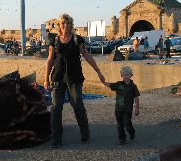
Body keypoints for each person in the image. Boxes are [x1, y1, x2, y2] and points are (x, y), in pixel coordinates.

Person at [44, 13, 105, 148]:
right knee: (55, 109)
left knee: (78, 106)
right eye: (63, 23)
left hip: (74, 78)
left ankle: (85, 133)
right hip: (58, 78)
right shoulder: (54, 40)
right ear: (59, 25)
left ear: (71, 25)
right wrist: (46, 79)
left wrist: (98, 71)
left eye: (68, 23)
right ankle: (57, 138)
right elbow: (49, 60)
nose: (65, 25)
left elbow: (86, 55)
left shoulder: (78, 39)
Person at [100, 66, 140, 145]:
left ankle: (131, 131)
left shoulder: (133, 86)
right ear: (121, 75)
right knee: (120, 124)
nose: (126, 76)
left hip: (127, 109)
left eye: (127, 74)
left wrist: (137, 108)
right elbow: (110, 85)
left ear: (131, 75)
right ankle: (122, 138)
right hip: (118, 109)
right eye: (124, 74)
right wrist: (103, 82)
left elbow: (136, 97)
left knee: (127, 123)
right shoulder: (118, 84)